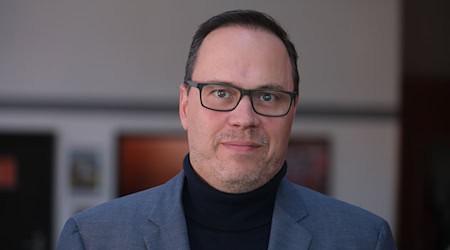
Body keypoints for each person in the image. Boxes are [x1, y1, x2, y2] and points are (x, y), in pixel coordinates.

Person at [57, 9, 397, 249]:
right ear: (185, 106)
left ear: (293, 110)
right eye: (221, 93)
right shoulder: (92, 238)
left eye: (268, 95)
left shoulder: (363, 239)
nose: (244, 117)